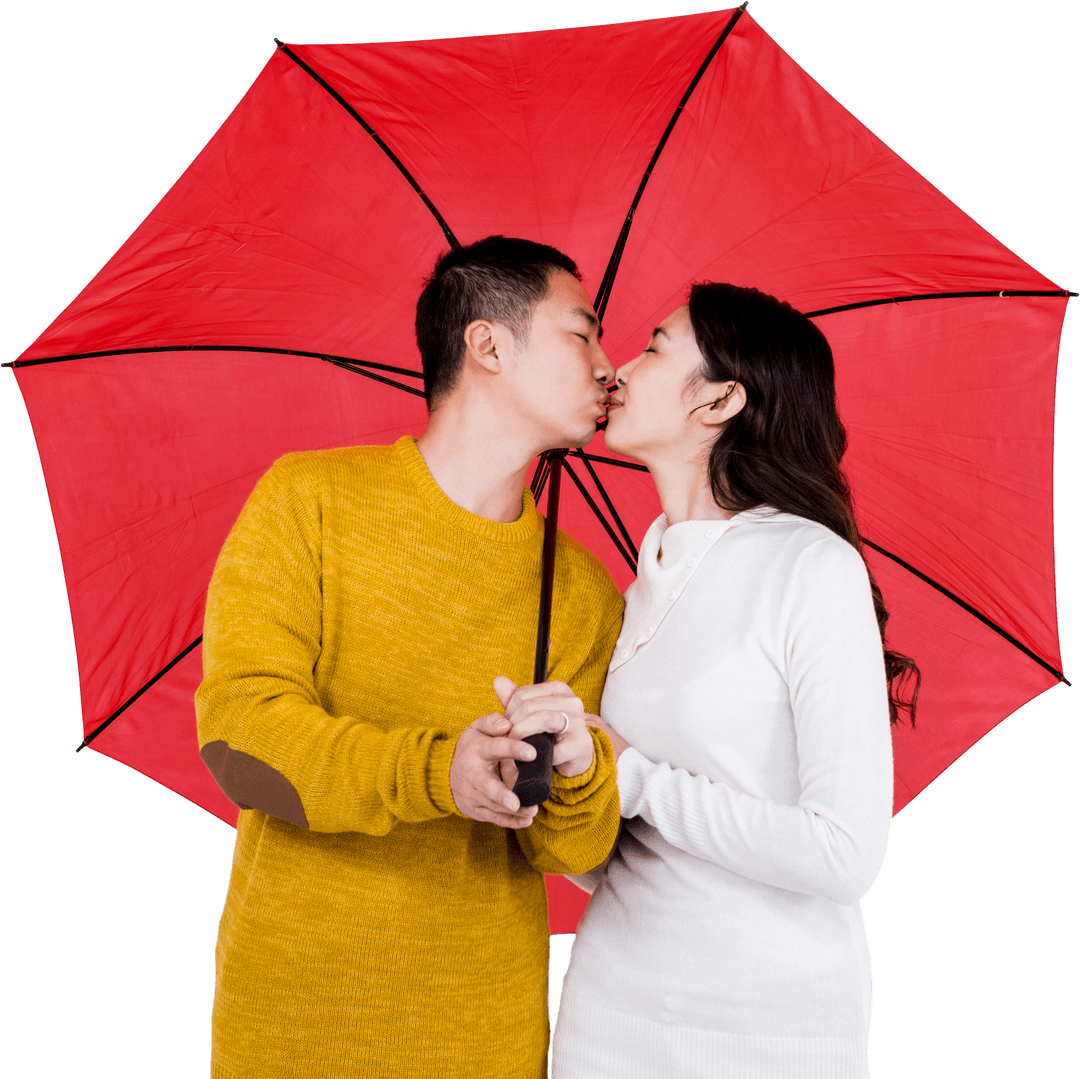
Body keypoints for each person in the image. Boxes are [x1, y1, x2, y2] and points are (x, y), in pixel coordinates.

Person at [194, 235, 624, 1079]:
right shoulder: (309, 500)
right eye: (583, 333)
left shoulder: (582, 590)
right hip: (293, 1026)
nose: (611, 367)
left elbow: (576, 851)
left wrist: (572, 769)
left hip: (484, 1037)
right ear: (489, 344)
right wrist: (438, 773)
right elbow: (240, 741)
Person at [550, 282, 919, 1079]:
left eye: (654, 347)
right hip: (607, 1021)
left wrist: (633, 774)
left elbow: (844, 853)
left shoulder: (809, 565)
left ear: (718, 399)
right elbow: (631, 856)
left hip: (767, 1034)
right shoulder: (638, 585)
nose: (620, 368)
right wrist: (563, 782)